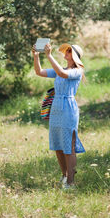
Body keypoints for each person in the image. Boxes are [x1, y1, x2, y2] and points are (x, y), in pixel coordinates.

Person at [32, 42, 85, 189]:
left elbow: (63, 74)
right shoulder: (60, 68)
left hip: (68, 109)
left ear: (75, 55)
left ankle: (71, 182)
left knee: (69, 147)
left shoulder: (78, 70)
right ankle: (64, 175)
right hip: (56, 109)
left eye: (69, 51)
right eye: (66, 50)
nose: (66, 53)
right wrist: (36, 56)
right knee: (58, 145)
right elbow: (39, 72)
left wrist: (48, 55)